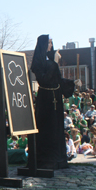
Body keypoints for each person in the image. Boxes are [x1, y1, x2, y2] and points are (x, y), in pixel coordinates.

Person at [31, 35, 76, 169]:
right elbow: (44, 80)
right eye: (49, 43)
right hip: (46, 98)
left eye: (51, 43)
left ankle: (59, 158)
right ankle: (47, 159)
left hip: (55, 96)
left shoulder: (50, 61)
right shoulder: (39, 62)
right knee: (47, 128)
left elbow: (57, 80)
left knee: (56, 128)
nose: (51, 45)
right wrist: (54, 63)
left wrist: (71, 83)